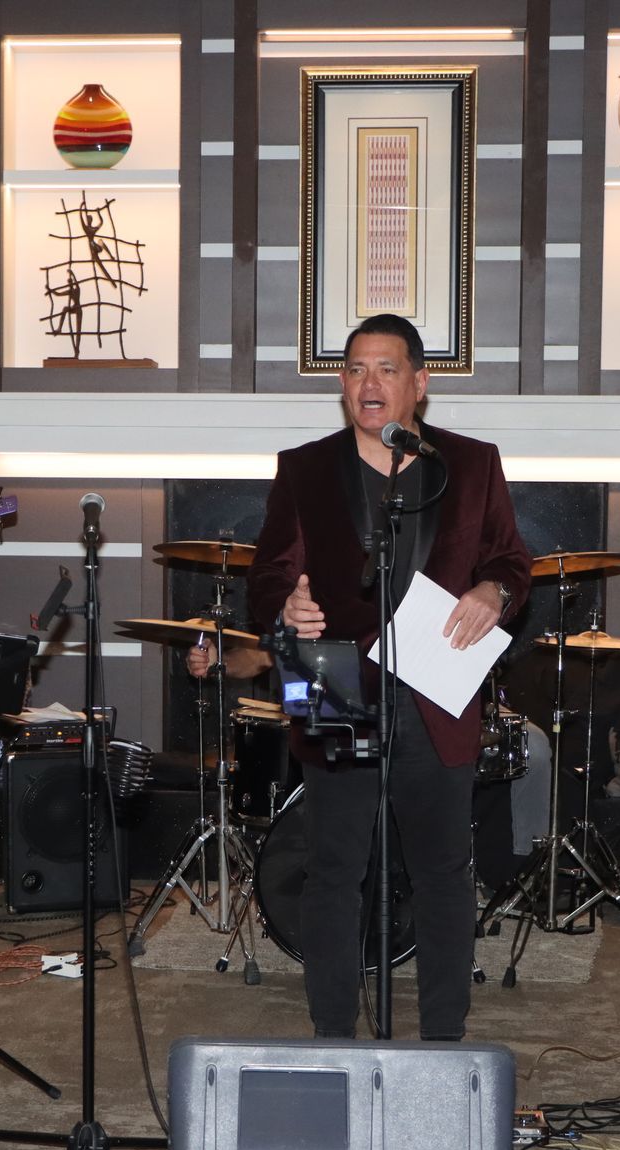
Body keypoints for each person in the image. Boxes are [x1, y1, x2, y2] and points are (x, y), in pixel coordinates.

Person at [246, 312, 534, 1041]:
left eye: (385, 369)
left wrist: (494, 593)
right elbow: (267, 576)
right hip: (332, 676)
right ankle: (333, 1037)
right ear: (343, 384)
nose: (368, 384)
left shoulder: (472, 464)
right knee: (333, 869)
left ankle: (443, 1041)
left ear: (419, 383)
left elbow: (511, 562)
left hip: (436, 685)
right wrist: (288, 604)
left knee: (441, 871)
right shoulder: (306, 468)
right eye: (354, 370)